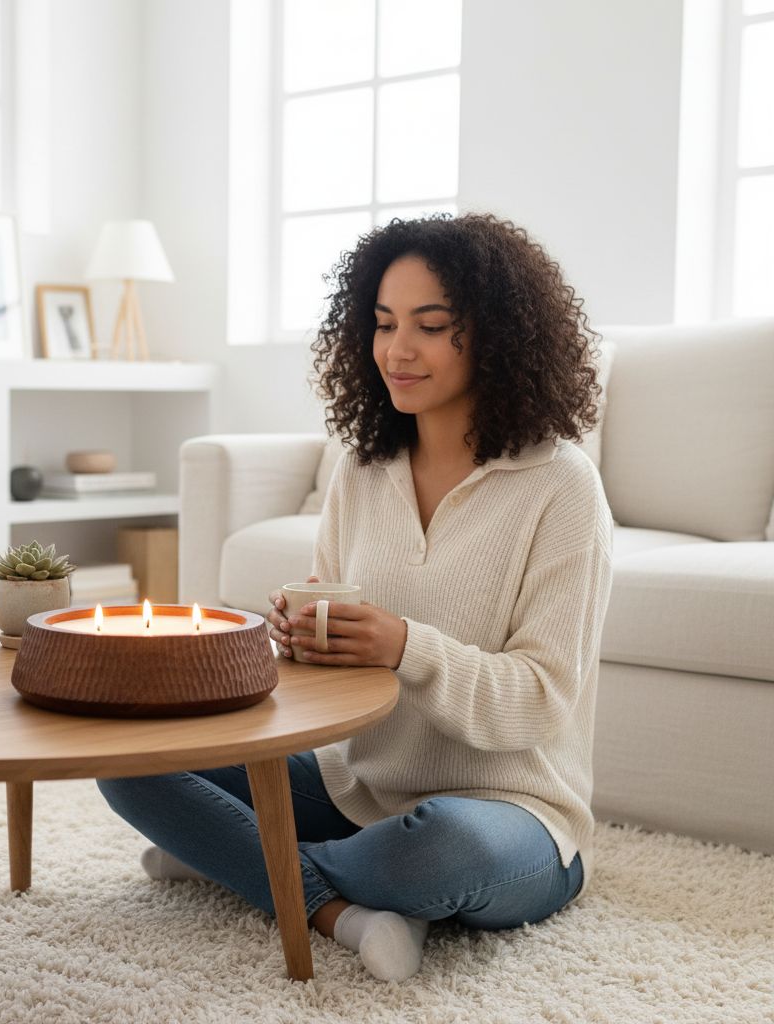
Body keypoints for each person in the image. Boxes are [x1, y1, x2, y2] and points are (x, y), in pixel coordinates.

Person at [97, 212, 614, 982]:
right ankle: (335, 909)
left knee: (441, 850)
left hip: (510, 814)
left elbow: (541, 702)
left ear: (499, 336)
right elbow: (336, 682)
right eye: (382, 323)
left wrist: (405, 646)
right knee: (130, 757)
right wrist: (302, 644)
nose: (397, 351)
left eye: (431, 326)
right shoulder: (363, 470)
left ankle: (235, 860)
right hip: (358, 787)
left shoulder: (561, 487)